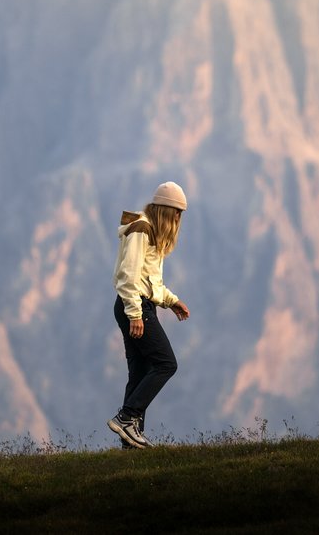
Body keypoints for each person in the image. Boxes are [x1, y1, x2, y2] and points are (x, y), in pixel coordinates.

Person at [107, 181, 190, 449]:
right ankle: (127, 418)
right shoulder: (141, 230)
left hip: (138, 305)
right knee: (166, 363)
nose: (178, 219)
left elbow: (149, 280)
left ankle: (129, 444)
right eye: (176, 213)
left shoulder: (151, 232)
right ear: (166, 210)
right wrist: (135, 314)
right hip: (135, 307)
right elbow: (128, 277)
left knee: (140, 372)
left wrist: (171, 300)